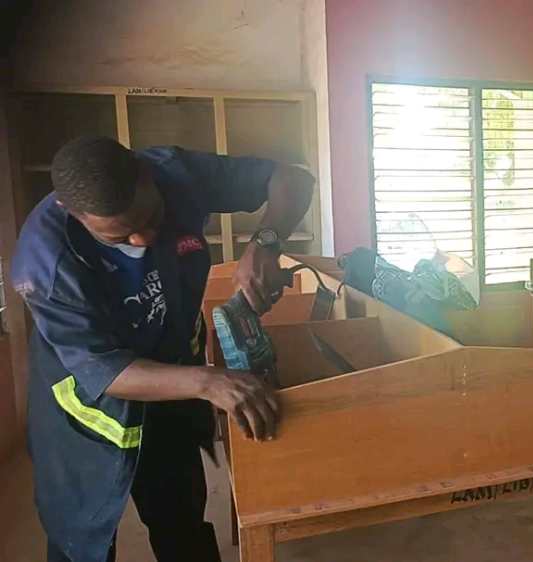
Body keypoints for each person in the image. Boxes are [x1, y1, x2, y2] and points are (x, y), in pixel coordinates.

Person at [11, 136, 315, 562]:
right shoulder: (45, 263)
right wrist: (209, 382)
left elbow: (292, 180)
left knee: (182, 522)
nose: (143, 239)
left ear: (146, 173)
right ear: (74, 215)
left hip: (171, 388)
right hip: (84, 420)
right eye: (119, 236)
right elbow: (105, 370)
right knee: (79, 540)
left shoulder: (177, 172)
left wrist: (266, 241)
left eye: (151, 217)